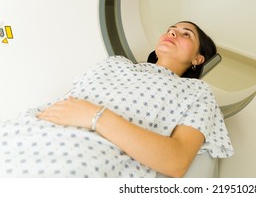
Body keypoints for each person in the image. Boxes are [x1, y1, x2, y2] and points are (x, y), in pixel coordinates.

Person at [0, 21, 234, 178]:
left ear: (198, 58)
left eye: (186, 34)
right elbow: (70, 100)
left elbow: (177, 161)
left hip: (83, 156)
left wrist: (96, 117)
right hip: (30, 130)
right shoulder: (115, 63)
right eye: (171, 29)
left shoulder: (197, 92)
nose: (173, 32)